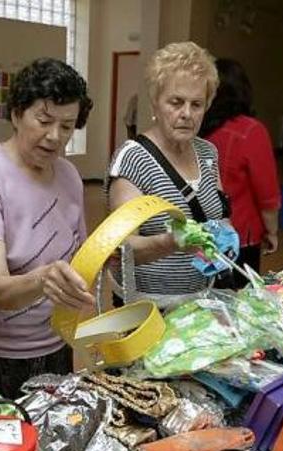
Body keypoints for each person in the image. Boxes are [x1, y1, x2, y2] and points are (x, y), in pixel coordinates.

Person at [0, 58, 94, 400]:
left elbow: (83, 257)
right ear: (16, 114)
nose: (54, 137)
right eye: (43, 121)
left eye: (68, 126)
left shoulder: (70, 176)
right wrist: (46, 278)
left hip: (52, 345)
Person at [107, 42, 228, 299]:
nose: (186, 114)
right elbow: (122, 247)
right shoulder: (133, 158)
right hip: (147, 308)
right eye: (176, 102)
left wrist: (226, 234)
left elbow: (219, 213)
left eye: (196, 104)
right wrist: (171, 242)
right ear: (155, 102)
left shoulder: (208, 152)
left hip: (200, 299)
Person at [200, 58, 280, 281]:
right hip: (238, 234)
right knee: (238, 300)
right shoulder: (251, 130)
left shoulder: (195, 126)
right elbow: (267, 194)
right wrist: (271, 230)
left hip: (197, 233)